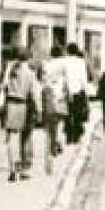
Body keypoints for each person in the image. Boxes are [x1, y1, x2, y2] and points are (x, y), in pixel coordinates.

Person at [0, 47, 40, 181]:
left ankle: (12, 170)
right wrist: (39, 110)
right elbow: (34, 94)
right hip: (24, 105)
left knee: (12, 138)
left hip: (10, 105)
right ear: (28, 58)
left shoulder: (9, 69)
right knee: (26, 138)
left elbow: (2, 86)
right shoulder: (30, 73)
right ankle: (23, 170)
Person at [41, 44, 69, 173]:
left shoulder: (46, 65)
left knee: (48, 127)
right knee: (60, 123)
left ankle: (49, 160)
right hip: (61, 97)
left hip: (48, 97)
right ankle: (58, 141)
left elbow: (43, 81)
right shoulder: (64, 65)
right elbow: (67, 82)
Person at [62, 43, 90, 145]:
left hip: (66, 91)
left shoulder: (63, 61)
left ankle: (68, 137)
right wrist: (86, 92)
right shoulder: (81, 62)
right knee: (78, 114)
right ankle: (76, 136)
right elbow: (84, 78)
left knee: (67, 115)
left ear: (68, 51)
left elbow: (63, 77)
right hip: (78, 91)